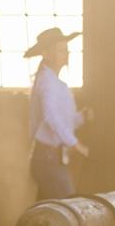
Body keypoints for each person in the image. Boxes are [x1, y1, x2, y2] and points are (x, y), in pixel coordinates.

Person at [25, 26, 93, 200]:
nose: (66, 54)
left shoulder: (56, 83)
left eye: (67, 50)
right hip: (47, 160)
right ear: (47, 55)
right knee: (68, 207)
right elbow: (51, 117)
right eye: (61, 50)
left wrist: (81, 117)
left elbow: (65, 122)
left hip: (51, 159)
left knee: (47, 215)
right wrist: (75, 144)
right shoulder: (47, 81)